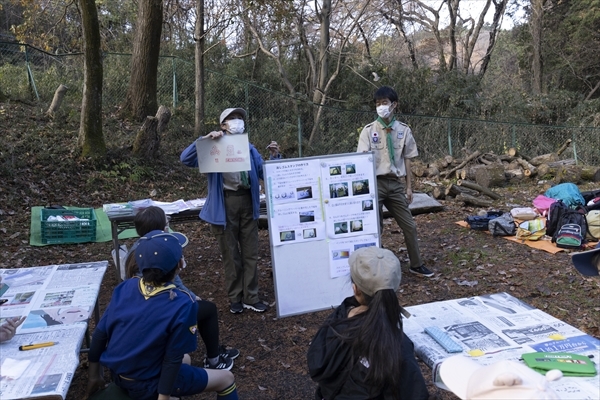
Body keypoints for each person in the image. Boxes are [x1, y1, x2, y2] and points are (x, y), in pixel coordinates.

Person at [86, 230, 239, 400]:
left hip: (120, 375)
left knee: (186, 359)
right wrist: (163, 397)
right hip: (148, 382)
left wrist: (94, 376)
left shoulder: (126, 287)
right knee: (226, 379)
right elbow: (172, 358)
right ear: (179, 264)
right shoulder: (183, 303)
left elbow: (100, 334)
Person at [181, 107, 281, 314]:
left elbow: (266, 173)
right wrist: (205, 139)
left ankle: (251, 297)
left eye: (240, 118)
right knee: (231, 254)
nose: (237, 122)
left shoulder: (249, 148)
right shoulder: (213, 146)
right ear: (223, 125)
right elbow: (186, 158)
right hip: (224, 204)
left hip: (248, 203)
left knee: (251, 252)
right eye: (232, 119)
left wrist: (275, 157)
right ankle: (235, 297)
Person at [125, 206, 239, 370]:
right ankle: (214, 361)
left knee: (199, 305)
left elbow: (173, 282)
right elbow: (168, 286)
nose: (168, 224)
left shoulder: (137, 248)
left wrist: (191, 295)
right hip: (158, 310)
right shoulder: (161, 250)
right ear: (161, 228)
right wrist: (190, 298)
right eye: (167, 221)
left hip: (149, 308)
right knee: (208, 310)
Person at [307, 246, 429, 399]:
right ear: (394, 288)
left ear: (355, 289)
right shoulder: (396, 344)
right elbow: (414, 393)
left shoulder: (338, 318)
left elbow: (316, 363)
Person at [357, 86, 434, 278]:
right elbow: (361, 161)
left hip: (396, 184)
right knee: (376, 228)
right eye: (377, 104)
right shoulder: (368, 131)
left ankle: (416, 264)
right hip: (375, 184)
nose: (381, 107)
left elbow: (408, 159)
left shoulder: (404, 130)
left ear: (394, 105)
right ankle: (376, 269)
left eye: (384, 103)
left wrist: (409, 187)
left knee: (409, 225)